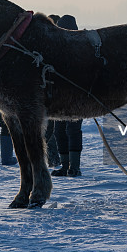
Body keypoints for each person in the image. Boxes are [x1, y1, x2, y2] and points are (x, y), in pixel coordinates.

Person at [48, 14, 84, 177]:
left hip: (77, 97)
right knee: (59, 131)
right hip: (59, 97)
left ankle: (74, 167)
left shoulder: (83, 47)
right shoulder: (55, 47)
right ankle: (65, 165)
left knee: (73, 130)